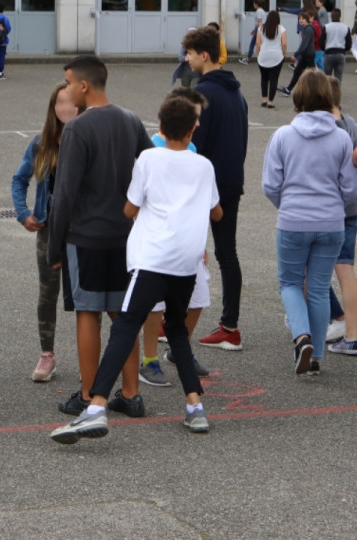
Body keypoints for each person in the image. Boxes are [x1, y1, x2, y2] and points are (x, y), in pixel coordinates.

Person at [50, 96, 223, 444]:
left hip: (153, 259)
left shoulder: (147, 159)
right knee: (175, 330)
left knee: (126, 326)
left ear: (159, 128)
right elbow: (216, 213)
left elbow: (130, 208)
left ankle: (95, 405)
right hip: (186, 264)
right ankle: (194, 406)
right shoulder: (204, 165)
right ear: (192, 131)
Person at [47, 56, 153, 416]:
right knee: (123, 315)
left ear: (84, 86)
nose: (66, 89)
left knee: (87, 312)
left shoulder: (78, 129)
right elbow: (151, 168)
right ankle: (131, 393)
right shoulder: (130, 120)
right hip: (126, 237)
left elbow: (63, 194)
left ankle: (90, 393)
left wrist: (54, 245)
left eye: (68, 82)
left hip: (86, 237)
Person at [263, 70, 357, 375]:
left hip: (293, 220)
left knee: (290, 282)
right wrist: (333, 207)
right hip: (331, 222)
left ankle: (300, 336)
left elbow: (270, 184)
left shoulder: (283, 136)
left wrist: (287, 205)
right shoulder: (341, 137)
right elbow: (350, 188)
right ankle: (316, 353)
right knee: (318, 287)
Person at [139, 87, 213, 386]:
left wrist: (202, 241)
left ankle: (179, 349)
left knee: (199, 298)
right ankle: (149, 359)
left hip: (188, 243)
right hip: (158, 243)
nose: (197, 125)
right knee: (154, 305)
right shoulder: (149, 151)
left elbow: (199, 204)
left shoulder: (193, 152)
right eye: (194, 118)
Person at [184, 26, 250, 351]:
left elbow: (194, 145)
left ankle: (175, 323)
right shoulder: (237, 93)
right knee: (226, 253)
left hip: (205, 185)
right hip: (231, 181)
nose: (187, 58)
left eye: (190, 53)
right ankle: (230, 326)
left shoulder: (202, 94)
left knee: (190, 251)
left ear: (204, 55)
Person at [11, 82, 80, 382]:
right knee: (48, 293)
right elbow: (19, 180)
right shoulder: (41, 143)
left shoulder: (89, 140)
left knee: (85, 296)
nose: (66, 109)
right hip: (49, 230)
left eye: (72, 103)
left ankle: (89, 359)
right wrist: (24, 214)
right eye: (60, 103)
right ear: (53, 108)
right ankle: (47, 355)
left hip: (82, 231)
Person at [325, 74, 357, 360]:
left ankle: (317, 326)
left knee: (303, 270)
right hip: (349, 210)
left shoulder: (329, 128)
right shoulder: (353, 125)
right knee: (345, 269)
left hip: (327, 210)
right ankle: (349, 333)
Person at [255, 11, 286, 109]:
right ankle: (270, 101)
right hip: (277, 56)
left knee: (264, 78)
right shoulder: (281, 29)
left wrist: (258, 53)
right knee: (274, 79)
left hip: (263, 56)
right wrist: (283, 54)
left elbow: (257, 42)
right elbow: (284, 44)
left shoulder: (261, 28)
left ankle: (264, 99)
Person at [279, 12, 315, 96]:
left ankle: (313, 91)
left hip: (308, 55)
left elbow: (304, 45)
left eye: (303, 19)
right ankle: (289, 89)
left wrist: (296, 54)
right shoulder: (306, 29)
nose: (301, 20)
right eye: (299, 19)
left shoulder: (308, 29)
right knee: (298, 72)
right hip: (306, 55)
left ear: (307, 19)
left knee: (306, 74)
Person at [323, 8, 351, 82]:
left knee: (327, 76)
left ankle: (327, 92)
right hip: (340, 53)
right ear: (340, 16)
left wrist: (324, 49)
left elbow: (321, 41)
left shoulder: (326, 27)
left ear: (331, 16)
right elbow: (349, 44)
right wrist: (345, 49)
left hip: (329, 52)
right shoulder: (346, 28)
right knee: (338, 77)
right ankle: (336, 92)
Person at [238, 0, 265, 65]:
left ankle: (248, 59)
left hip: (259, 29)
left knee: (252, 44)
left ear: (256, 4)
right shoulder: (263, 11)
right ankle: (262, 58)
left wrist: (257, 30)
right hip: (262, 28)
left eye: (254, 4)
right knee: (261, 44)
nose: (253, 5)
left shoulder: (258, 11)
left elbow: (260, 22)